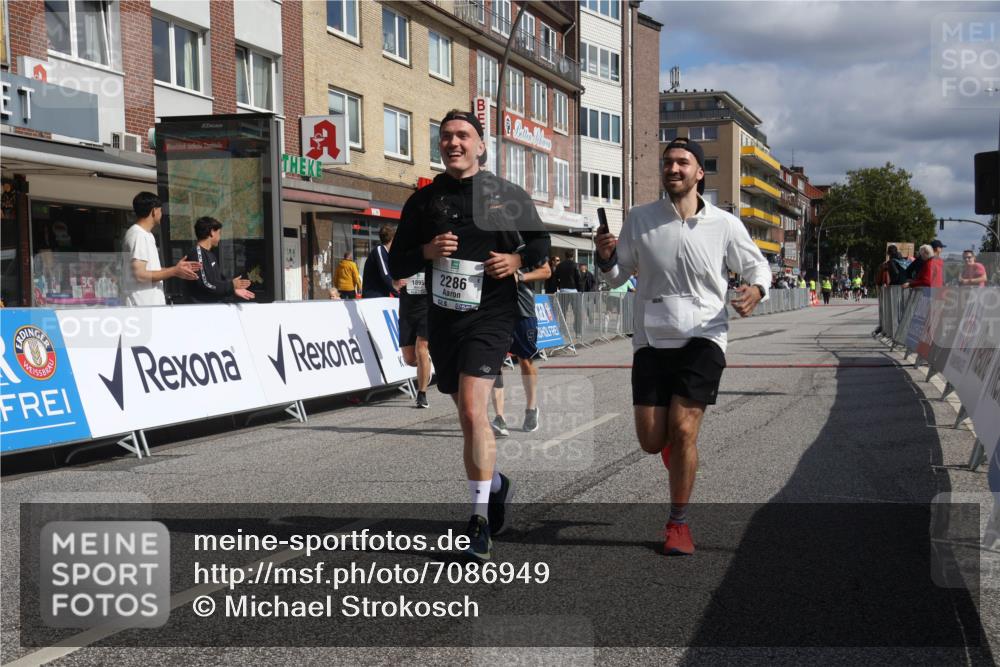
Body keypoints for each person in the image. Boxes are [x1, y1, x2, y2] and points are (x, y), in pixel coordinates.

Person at [388, 109, 550, 561]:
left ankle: (477, 520)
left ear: (480, 145)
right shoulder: (423, 200)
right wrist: (426, 249)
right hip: (444, 319)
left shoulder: (505, 193)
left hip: (491, 315)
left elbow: (539, 245)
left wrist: (516, 262)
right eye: (446, 137)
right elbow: (397, 263)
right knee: (466, 415)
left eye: (463, 136)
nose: (453, 143)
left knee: (477, 411)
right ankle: (496, 484)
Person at [595, 137, 770, 555]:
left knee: (686, 427)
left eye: (682, 163)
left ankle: (678, 523)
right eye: (668, 163)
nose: (673, 169)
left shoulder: (724, 224)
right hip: (652, 340)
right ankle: (676, 447)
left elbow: (756, 264)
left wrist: (757, 290)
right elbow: (616, 277)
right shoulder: (640, 218)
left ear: (699, 172)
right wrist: (605, 259)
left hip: (704, 337)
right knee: (653, 440)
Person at [491, 260, 551, 436]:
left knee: (525, 361)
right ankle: (499, 417)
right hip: (496, 313)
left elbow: (546, 271)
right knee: (495, 363)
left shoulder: (525, 244)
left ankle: (531, 409)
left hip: (523, 312)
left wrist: (521, 276)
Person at [122, 192, 200, 306]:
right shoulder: (138, 235)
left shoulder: (145, 235)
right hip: (142, 306)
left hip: (149, 306)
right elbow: (140, 274)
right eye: (160, 210)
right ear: (154, 211)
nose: (162, 214)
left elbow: (151, 269)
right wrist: (174, 271)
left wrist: (176, 270)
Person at [184, 217, 255, 303]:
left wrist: (233, 289)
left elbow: (217, 283)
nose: (220, 237)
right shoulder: (197, 253)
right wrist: (231, 285)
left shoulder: (210, 254)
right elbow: (206, 284)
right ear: (212, 232)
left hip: (214, 307)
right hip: (201, 309)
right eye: (219, 233)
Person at [399, 266, 432, 408]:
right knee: (410, 359)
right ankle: (426, 363)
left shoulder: (432, 257)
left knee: (421, 348)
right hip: (407, 310)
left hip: (427, 309)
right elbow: (392, 278)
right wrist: (395, 283)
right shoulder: (404, 258)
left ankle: (422, 394)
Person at [362, 225, 401, 298]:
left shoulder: (387, 253)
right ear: (393, 238)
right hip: (373, 297)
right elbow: (385, 275)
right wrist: (398, 295)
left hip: (381, 296)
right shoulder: (379, 250)